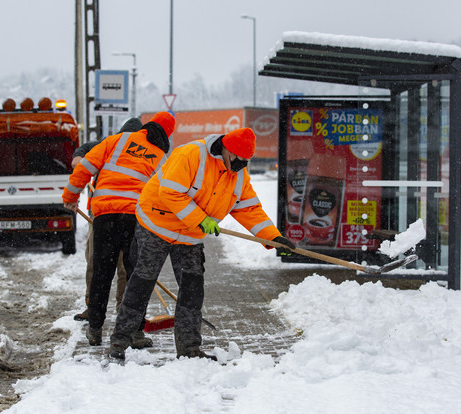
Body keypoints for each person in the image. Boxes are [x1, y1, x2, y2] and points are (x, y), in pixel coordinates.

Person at [108, 127, 295, 361]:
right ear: (226, 149)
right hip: (156, 225)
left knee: (192, 290)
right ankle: (119, 342)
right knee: (141, 283)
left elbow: (249, 208)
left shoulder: (239, 175)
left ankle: (189, 349)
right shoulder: (190, 155)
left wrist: (273, 238)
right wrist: (201, 219)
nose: (239, 165)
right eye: (237, 159)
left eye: (245, 161)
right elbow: (171, 192)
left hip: (190, 236)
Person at [63, 112, 176, 348]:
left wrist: (70, 197)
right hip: (135, 219)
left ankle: (95, 329)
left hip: (106, 216)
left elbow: (84, 167)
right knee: (136, 275)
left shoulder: (116, 141)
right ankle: (134, 331)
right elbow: (166, 193)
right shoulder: (161, 155)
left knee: (102, 273)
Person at [72, 118, 143, 322]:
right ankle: (91, 306)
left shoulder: (144, 153)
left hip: (130, 215)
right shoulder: (107, 145)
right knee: (96, 261)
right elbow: (81, 153)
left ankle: (123, 308)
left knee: (124, 266)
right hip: (102, 215)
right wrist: (79, 162)